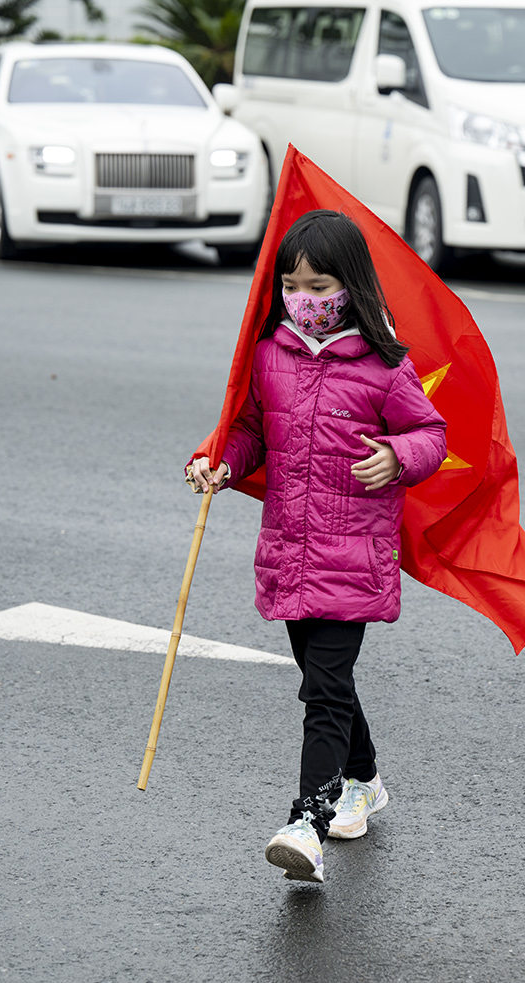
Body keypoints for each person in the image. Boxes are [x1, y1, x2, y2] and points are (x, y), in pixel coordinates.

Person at [186, 210, 447, 884]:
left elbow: (431, 435)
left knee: (323, 693)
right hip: (290, 553)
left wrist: (396, 456)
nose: (305, 298)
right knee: (324, 681)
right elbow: (249, 432)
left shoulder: (384, 364)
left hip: (353, 558)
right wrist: (219, 461)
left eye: (320, 284)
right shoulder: (270, 353)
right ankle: (364, 778)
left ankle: (308, 821)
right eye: (293, 285)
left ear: (350, 285)